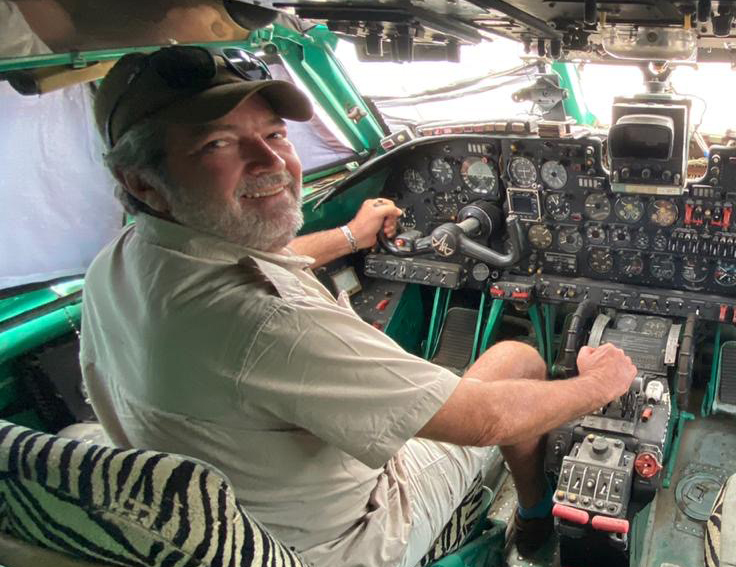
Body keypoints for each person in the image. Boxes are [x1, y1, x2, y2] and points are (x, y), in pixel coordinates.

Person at [78, 45, 637, 567]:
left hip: (249, 500)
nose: (270, 160)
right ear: (143, 183)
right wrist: (599, 386)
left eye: (275, 133)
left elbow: (257, 255)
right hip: (350, 533)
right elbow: (484, 419)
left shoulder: (127, 256)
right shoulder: (267, 323)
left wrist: (350, 235)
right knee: (518, 362)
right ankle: (534, 518)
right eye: (218, 145)